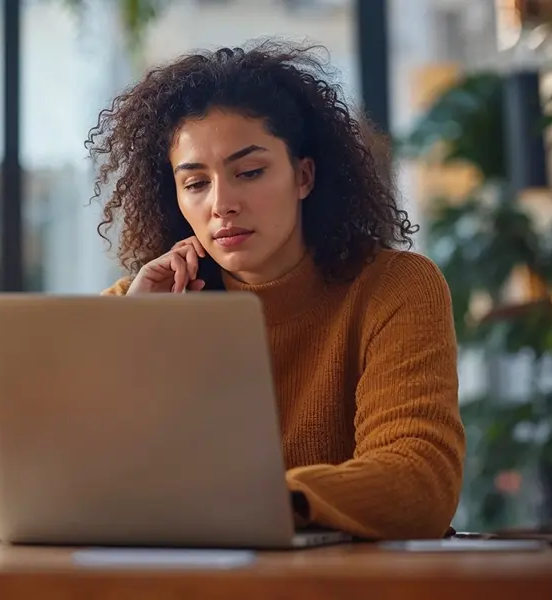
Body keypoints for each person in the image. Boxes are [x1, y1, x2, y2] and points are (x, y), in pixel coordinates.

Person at [88, 40, 464, 541]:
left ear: (303, 176)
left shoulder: (393, 289)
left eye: (249, 173)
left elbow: (421, 480)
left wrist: (267, 504)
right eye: (196, 183)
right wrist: (137, 341)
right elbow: (79, 485)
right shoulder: (137, 303)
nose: (222, 204)